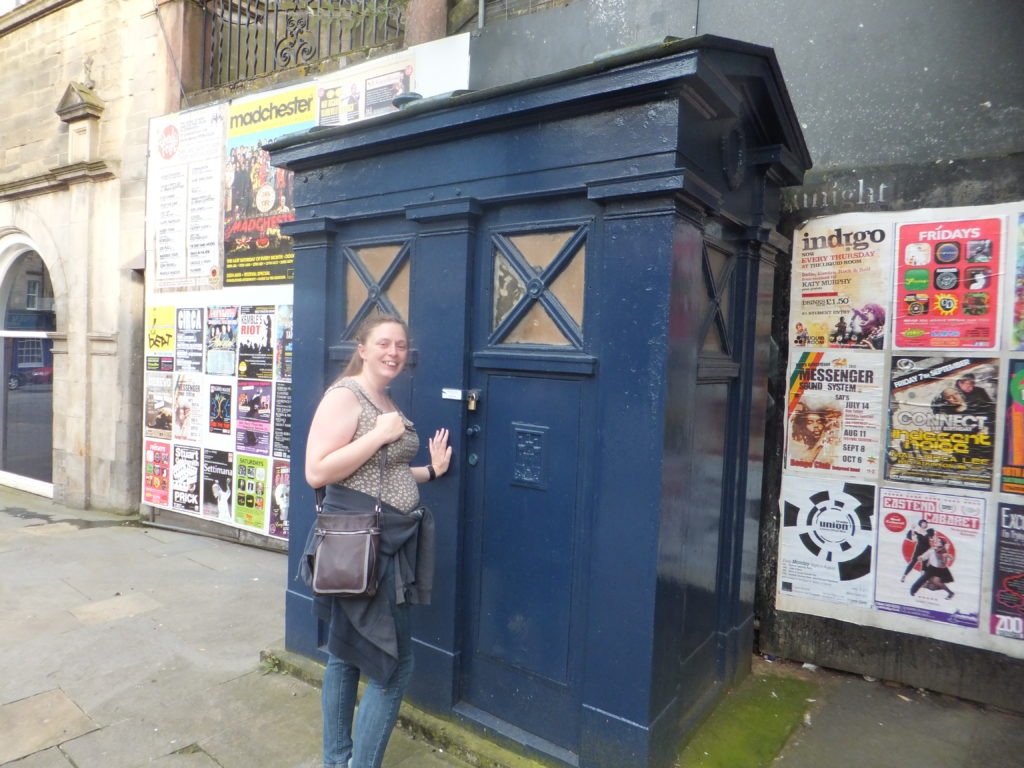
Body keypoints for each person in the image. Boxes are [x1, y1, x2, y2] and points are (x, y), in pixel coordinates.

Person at [303, 314, 452, 768]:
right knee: (396, 664)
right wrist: (379, 435)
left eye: (402, 346)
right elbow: (318, 470)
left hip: (384, 540)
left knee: (346, 657)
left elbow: (379, 474)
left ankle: (337, 760)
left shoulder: (383, 396)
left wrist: (430, 471)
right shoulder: (345, 395)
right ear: (362, 348)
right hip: (365, 546)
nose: (394, 352)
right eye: (384, 343)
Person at [909, 533, 955, 600]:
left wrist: (948, 556)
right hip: (932, 568)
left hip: (941, 570)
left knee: (936, 582)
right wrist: (921, 557)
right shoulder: (932, 550)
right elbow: (925, 555)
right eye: (937, 541)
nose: (936, 542)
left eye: (939, 541)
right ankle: (913, 590)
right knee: (923, 578)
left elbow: (950, 557)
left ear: (942, 544)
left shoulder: (944, 551)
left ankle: (950, 593)